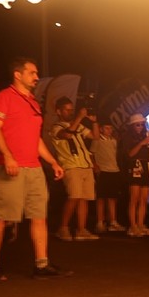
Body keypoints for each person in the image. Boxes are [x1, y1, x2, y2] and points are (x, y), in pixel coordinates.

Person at [0, 57, 70, 281]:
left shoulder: (32, 101)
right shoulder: (3, 98)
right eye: (32, 73)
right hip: (10, 167)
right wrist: (8, 157)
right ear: (18, 75)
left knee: (39, 216)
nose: (37, 77)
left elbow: (35, 139)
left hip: (34, 168)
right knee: (1, 216)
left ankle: (42, 264)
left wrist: (52, 162)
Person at [50, 96, 99, 242]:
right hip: (71, 166)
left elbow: (95, 136)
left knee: (84, 198)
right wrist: (79, 118)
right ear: (58, 111)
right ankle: (63, 228)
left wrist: (94, 121)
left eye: (72, 110)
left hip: (85, 165)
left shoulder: (77, 125)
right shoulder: (56, 127)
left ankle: (81, 229)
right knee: (74, 196)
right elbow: (67, 134)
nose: (71, 112)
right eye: (68, 110)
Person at [121, 114, 149, 237]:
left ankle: (141, 224)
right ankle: (133, 225)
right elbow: (129, 154)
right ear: (132, 126)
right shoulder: (127, 137)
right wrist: (141, 143)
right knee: (134, 198)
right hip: (134, 166)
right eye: (137, 124)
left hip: (145, 166)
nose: (140, 127)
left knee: (143, 198)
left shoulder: (145, 136)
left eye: (142, 124)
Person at [89, 121, 124, 233]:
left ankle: (113, 221)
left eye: (111, 128)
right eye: (107, 128)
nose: (109, 130)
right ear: (101, 129)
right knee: (101, 197)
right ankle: (100, 222)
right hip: (103, 171)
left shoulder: (113, 141)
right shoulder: (97, 140)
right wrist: (95, 166)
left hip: (114, 170)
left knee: (112, 197)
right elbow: (91, 154)